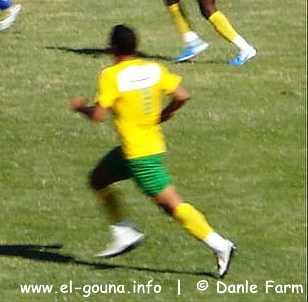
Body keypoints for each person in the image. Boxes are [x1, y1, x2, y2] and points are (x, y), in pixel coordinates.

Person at [70, 24, 236, 279]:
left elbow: (98, 115)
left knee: (172, 206)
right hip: (140, 148)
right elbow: (182, 95)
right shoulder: (153, 69)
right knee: (98, 178)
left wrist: (81, 107)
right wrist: (164, 114)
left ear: (113, 47)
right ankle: (124, 231)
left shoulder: (111, 75)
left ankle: (219, 244)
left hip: (140, 157)